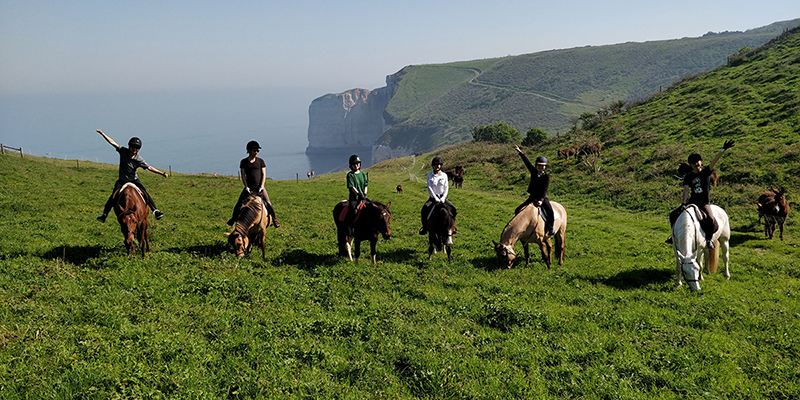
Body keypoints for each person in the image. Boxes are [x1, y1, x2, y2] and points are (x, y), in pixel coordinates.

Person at [668, 139, 735, 248]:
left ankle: (709, 240)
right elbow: (686, 190)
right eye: (693, 162)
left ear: (701, 162)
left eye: (697, 161)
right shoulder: (688, 177)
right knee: (673, 214)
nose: (695, 163)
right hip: (692, 202)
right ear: (690, 164)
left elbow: (715, 161)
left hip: (704, 203)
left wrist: (723, 150)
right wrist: (683, 203)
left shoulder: (706, 172)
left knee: (710, 219)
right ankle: (673, 237)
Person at [96, 129, 167, 223]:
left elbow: (149, 167)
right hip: (122, 180)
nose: (135, 149)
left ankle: (155, 211)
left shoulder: (139, 159)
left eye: (137, 147)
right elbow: (112, 142)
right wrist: (102, 134)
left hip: (134, 180)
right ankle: (104, 215)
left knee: (144, 193)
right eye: (133, 146)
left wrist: (161, 173)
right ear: (129, 146)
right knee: (113, 196)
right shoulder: (123, 151)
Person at [227, 141, 280, 227]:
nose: (256, 152)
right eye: (254, 150)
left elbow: (263, 174)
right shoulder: (243, 162)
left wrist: (262, 187)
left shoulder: (260, 161)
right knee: (239, 203)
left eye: (257, 150)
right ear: (249, 151)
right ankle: (233, 219)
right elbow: (243, 176)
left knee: (268, 203)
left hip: (259, 187)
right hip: (249, 188)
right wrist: (246, 187)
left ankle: (275, 220)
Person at [514, 145, 554, 236]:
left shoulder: (546, 176)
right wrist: (520, 152)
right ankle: (518, 226)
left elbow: (545, 189)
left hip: (541, 198)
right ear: (536, 165)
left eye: (543, 166)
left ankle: (550, 228)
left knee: (550, 212)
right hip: (532, 197)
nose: (541, 167)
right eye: (539, 166)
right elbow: (526, 162)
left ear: (545, 167)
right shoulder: (533, 172)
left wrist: (541, 200)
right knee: (517, 210)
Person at [419, 156, 457, 235]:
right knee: (424, 209)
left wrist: (443, 197)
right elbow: (429, 187)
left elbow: (446, 187)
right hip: (433, 198)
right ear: (433, 166)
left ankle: (452, 226)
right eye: (435, 165)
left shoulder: (444, 176)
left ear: (441, 166)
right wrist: (435, 197)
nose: (437, 166)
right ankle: (425, 228)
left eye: (439, 164)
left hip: (442, 197)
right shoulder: (429, 175)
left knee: (453, 209)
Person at [346, 155, 369, 221]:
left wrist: (364, 194)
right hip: (354, 199)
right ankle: (351, 228)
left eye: (357, 163)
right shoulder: (350, 175)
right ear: (351, 165)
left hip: (364, 197)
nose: (356, 165)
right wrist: (358, 194)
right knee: (353, 212)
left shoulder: (363, 174)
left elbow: (366, 185)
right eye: (354, 164)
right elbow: (351, 186)